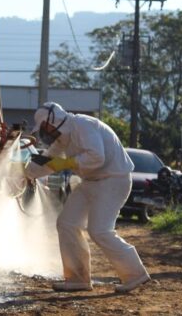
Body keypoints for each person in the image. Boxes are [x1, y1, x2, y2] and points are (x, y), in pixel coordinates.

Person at [29, 102, 150, 293]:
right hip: (90, 181)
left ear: (54, 120)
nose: (45, 132)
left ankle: (135, 274)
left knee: (100, 230)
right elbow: (49, 161)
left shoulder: (83, 125)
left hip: (113, 180)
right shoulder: (62, 138)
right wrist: (24, 173)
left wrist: (67, 162)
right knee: (67, 223)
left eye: (45, 127)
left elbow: (97, 157)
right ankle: (77, 278)